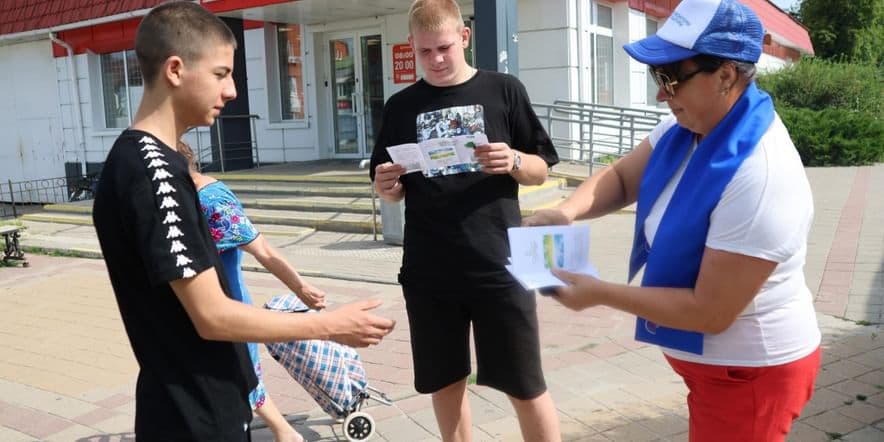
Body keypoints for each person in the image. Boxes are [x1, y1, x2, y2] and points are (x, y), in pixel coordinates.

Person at [91, 3, 395, 440]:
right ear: (175, 69)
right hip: (193, 415)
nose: (232, 90)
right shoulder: (151, 171)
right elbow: (212, 316)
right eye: (220, 74)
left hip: (197, 405)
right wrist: (328, 325)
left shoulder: (151, 162)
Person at [523, 0, 821, 440]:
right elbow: (624, 177)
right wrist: (565, 212)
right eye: (655, 76)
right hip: (716, 368)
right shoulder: (687, 126)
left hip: (750, 373)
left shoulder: (761, 174)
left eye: (671, 78)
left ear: (726, 75)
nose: (661, 93)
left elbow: (710, 311)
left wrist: (601, 293)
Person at [369, 1, 561, 440]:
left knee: (525, 384)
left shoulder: (503, 90)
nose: (435, 60)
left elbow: (542, 169)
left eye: (443, 48)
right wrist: (386, 185)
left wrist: (512, 158)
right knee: (444, 381)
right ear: (412, 48)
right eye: (424, 52)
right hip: (429, 270)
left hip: (500, 264)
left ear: (464, 38)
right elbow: (392, 191)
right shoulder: (401, 107)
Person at [175, 141, 319, 442]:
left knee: (239, 382)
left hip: (227, 311)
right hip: (198, 313)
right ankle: (284, 433)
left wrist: (301, 287)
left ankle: (285, 434)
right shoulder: (182, 198)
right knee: (236, 382)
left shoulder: (211, 201)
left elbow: (262, 249)